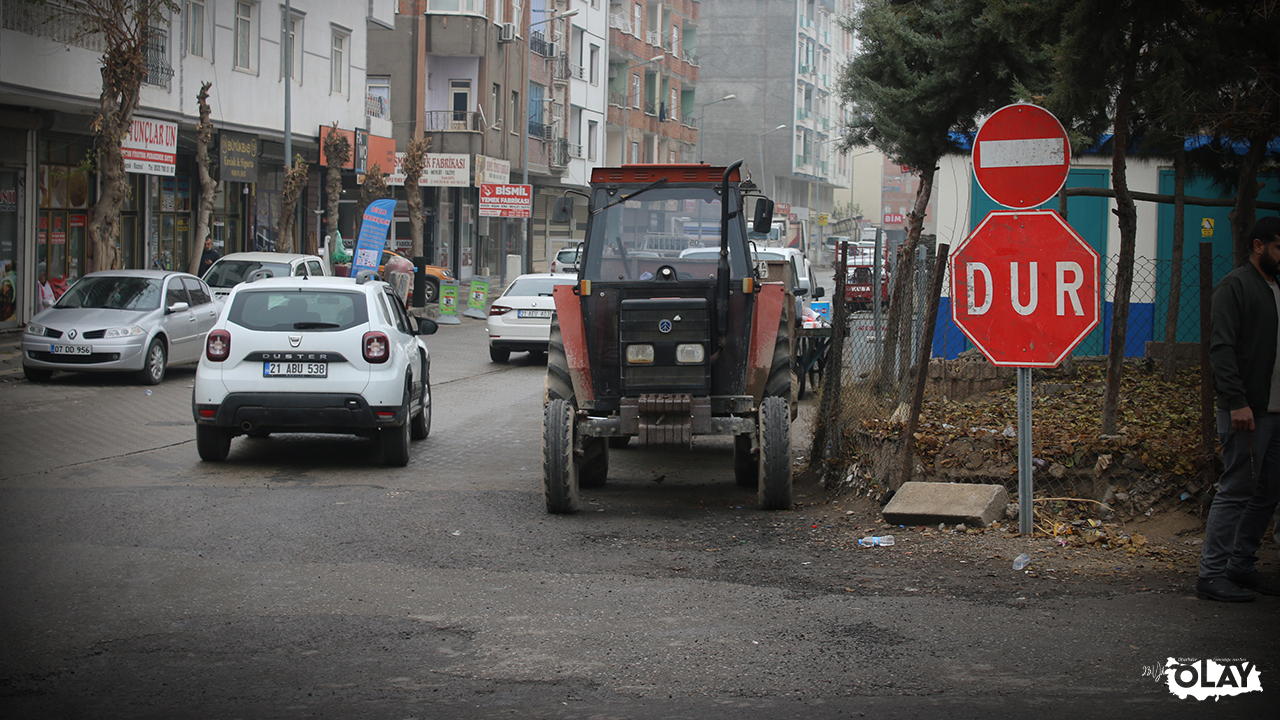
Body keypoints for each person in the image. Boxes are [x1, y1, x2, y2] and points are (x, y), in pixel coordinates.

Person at [1198, 215, 1280, 602]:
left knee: (1267, 492)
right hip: (1248, 410)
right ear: (1259, 246)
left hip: (1276, 410)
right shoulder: (1236, 286)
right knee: (1236, 489)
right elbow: (1222, 349)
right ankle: (1211, 575)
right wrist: (1237, 402)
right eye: (1279, 247)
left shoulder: (1276, 287)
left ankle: (1241, 566)